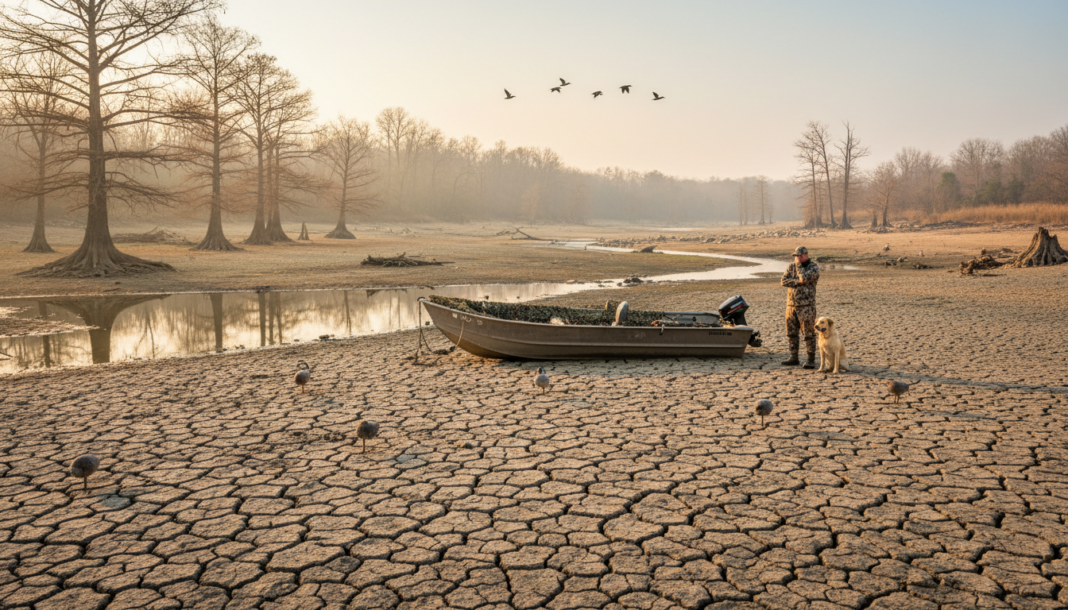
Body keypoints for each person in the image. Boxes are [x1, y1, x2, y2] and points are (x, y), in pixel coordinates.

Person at [780, 246, 819, 369]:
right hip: (791, 306)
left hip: (806, 307)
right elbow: (783, 281)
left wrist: (798, 269)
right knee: (791, 333)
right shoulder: (791, 266)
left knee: (809, 334)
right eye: (796, 256)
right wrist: (797, 282)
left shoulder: (813, 267)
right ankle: (794, 357)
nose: (797, 258)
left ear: (805, 255)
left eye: (799, 256)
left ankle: (810, 359)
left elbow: (804, 278)